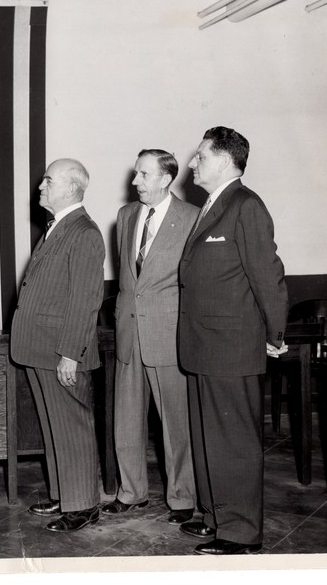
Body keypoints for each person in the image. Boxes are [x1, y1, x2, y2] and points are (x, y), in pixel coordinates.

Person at [178, 126, 288, 555]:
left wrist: (275, 334)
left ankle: (241, 532)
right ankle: (213, 515)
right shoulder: (211, 206)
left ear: (224, 160)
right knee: (208, 437)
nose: (192, 163)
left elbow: (268, 276)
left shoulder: (246, 205)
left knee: (235, 443)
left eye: (200, 156)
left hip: (232, 345)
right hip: (203, 343)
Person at [10, 158, 106, 533]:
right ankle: (63, 493)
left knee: (72, 426)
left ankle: (82, 505)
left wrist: (70, 354)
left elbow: (86, 299)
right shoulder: (58, 227)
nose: (40, 186)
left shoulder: (84, 232)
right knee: (53, 426)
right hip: (38, 346)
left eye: (48, 180)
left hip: (61, 351)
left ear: (70, 188)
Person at [105, 149, 198, 524]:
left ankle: (182, 496)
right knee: (126, 418)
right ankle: (131, 492)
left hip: (168, 333)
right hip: (129, 330)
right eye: (136, 174)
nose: (135, 181)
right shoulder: (126, 216)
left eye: (143, 175)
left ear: (165, 178)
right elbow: (130, 279)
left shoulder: (191, 218)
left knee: (176, 423)